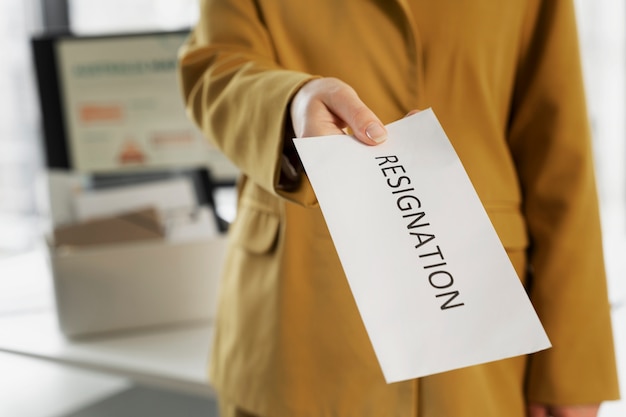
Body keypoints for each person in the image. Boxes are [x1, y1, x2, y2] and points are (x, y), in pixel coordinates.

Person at [177, 1, 620, 416]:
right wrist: (291, 102)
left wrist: (573, 370)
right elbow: (214, 69)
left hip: (478, 317)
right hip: (296, 316)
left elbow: (558, 149)